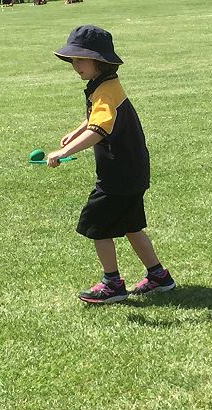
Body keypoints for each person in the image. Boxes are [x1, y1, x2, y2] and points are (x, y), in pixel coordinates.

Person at [49, 25, 175, 304]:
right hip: (132, 171)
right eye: (72, 60)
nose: (75, 65)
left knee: (97, 225)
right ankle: (159, 276)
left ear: (99, 61)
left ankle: (112, 284)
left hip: (117, 176)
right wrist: (77, 130)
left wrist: (64, 151)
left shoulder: (105, 90)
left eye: (80, 59)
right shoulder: (107, 85)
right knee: (131, 225)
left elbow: (99, 130)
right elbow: (98, 117)